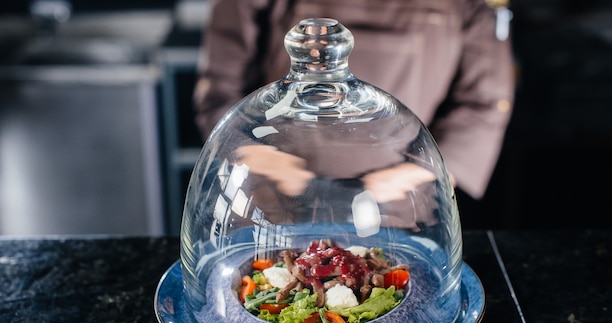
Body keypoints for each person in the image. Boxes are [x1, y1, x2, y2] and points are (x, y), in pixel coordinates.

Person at [193, 0, 515, 208]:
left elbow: (484, 101)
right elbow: (220, 85)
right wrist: (253, 154)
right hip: (275, 200)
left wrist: (420, 175)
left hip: (399, 207)